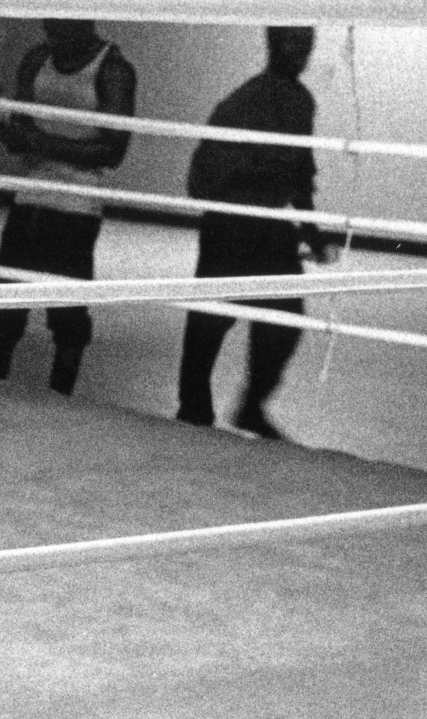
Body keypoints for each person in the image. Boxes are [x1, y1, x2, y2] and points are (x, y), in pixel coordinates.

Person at [176, 28, 334, 440]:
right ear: (273, 44)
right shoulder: (246, 101)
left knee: (280, 316)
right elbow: (206, 176)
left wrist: (310, 229)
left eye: (306, 46)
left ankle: (241, 406)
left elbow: (301, 170)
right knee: (213, 316)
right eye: (293, 44)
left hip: (260, 220)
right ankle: (196, 405)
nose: (300, 54)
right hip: (233, 220)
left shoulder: (297, 100)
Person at [0, 20, 138, 395]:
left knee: (67, 313)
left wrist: (41, 142)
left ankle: (60, 399)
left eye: (62, 29)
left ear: (84, 21)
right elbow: (19, 141)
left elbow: (113, 150)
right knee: (4, 302)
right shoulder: (37, 58)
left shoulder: (112, 69)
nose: (54, 38)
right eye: (49, 29)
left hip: (77, 203)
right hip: (29, 196)